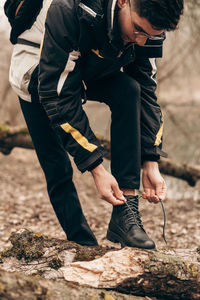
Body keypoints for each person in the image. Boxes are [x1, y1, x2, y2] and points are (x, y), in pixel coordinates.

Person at [9, 0, 183, 249]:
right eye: (138, 30)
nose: (142, 41)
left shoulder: (146, 29)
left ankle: (126, 216)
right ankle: (84, 246)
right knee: (58, 169)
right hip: (38, 75)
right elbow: (58, 95)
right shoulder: (68, 11)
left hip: (84, 66)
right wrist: (97, 169)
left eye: (151, 35)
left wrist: (151, 161)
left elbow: (146, 91)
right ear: (124, 1)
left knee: (129, 90)